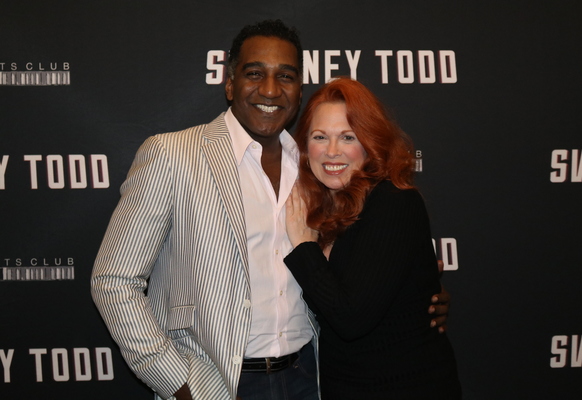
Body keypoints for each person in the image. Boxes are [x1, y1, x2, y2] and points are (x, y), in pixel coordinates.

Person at [91, 20, 451, 400]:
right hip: (216, 384)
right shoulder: (173, 155)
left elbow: (362, 271)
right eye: (254, 74)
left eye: (285, 76)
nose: (269, 89)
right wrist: (178, 383)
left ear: (298, 90)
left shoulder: (317, 168)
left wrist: (417, 301)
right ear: (230, 84)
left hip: (311, 378)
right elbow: (113, 281)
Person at [284, 77, 461, 399]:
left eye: (347, 137)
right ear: (305, 147)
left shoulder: (392, 201)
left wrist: (304, 246)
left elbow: (351, 318)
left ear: (370, 142)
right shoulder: (319, 208)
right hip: (343, 386)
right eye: (320, 136)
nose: (332, 151)